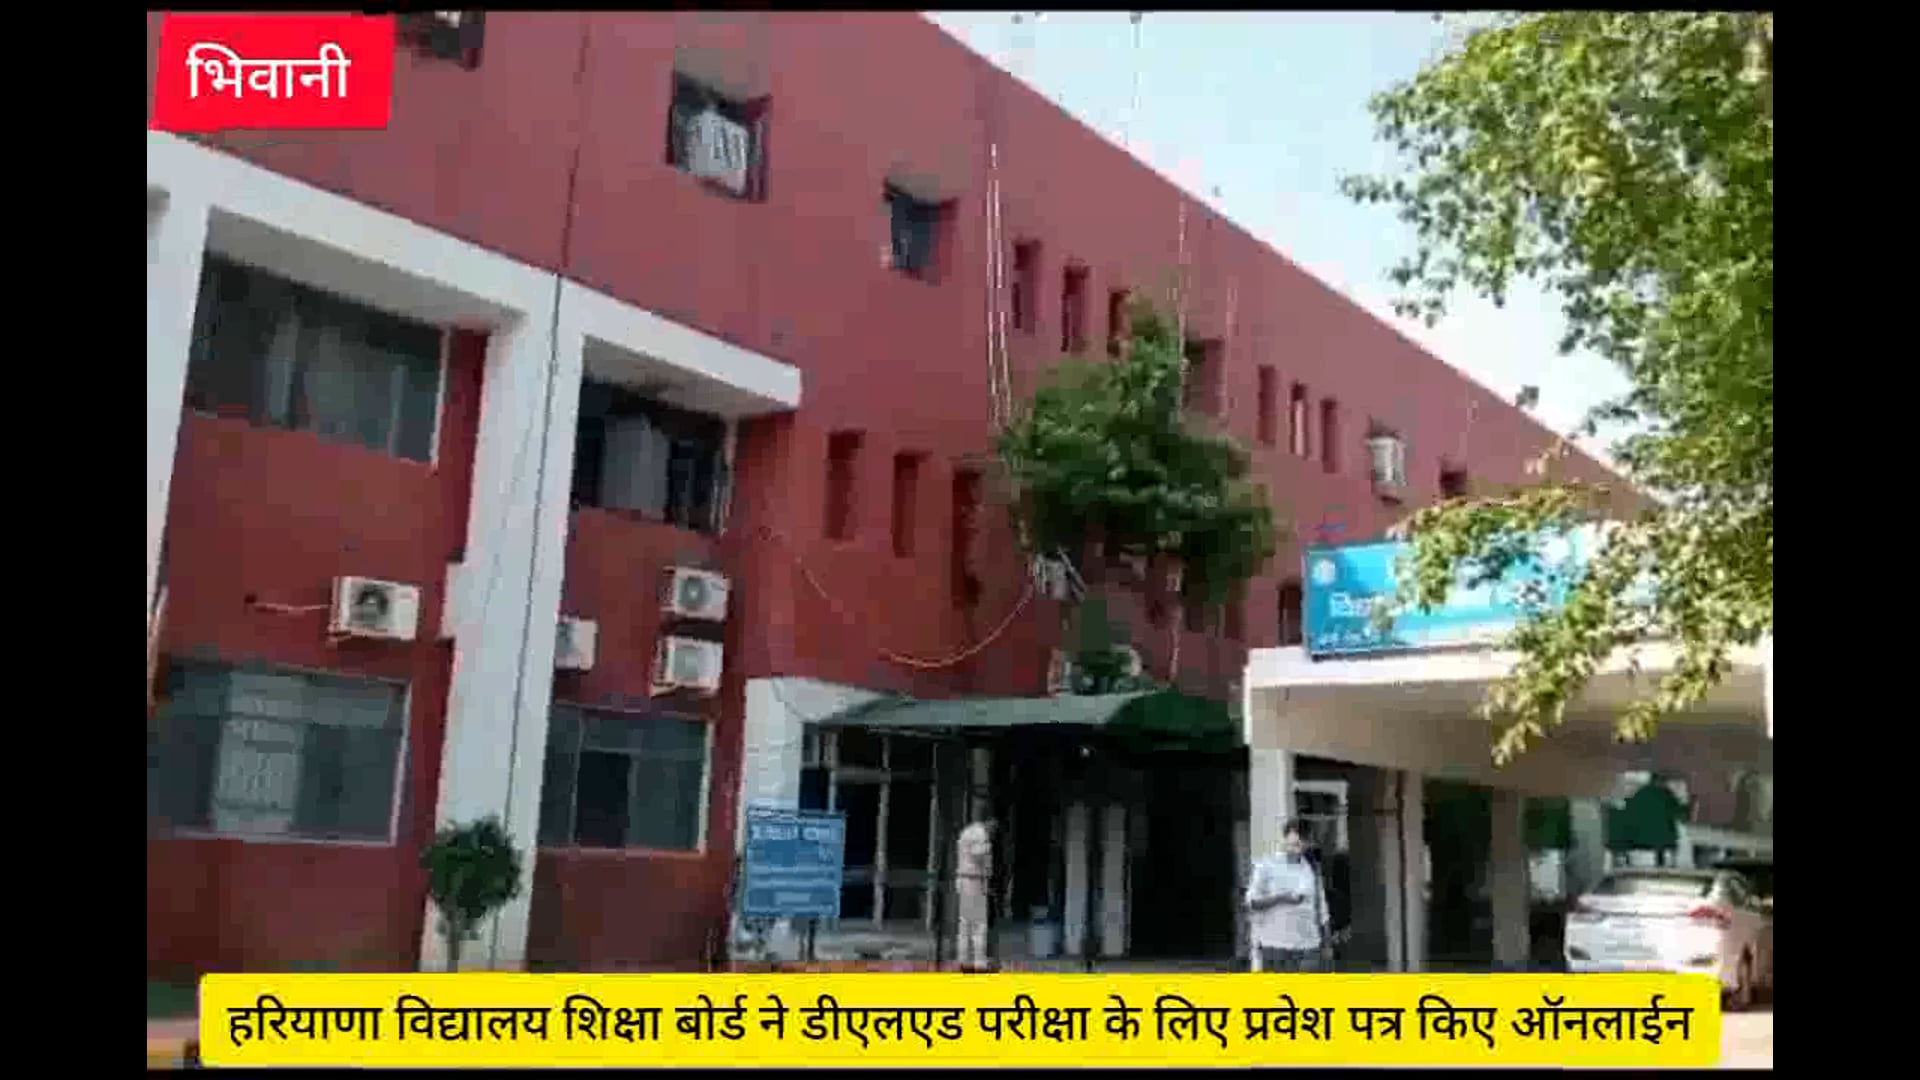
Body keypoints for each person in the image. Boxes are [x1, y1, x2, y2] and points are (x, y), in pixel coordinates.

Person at [1245, 819, 1330, 972]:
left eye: (1303, 840)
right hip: (1275, 945)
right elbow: (1252, 902)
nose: (1299, 844)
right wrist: (1281, 898)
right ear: (1285, 838)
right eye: (1295, 841)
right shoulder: (1267, 865)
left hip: (1309, 946)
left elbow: (1322, 910)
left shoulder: (1311, 869)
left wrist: (1327, 944)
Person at [954, 817, 996, 972]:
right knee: (979, 924)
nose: (993, 833)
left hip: (964, 879)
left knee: (965, 924)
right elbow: (978, 854)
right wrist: (988, 847)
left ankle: (963, 960)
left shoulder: (966, 832)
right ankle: (979, 963)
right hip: (974, 880)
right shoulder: (980, 834)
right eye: (993, 829)